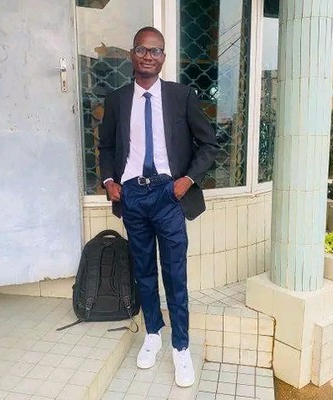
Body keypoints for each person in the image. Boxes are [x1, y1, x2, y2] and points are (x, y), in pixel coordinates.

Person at [98, 26, 219, 387]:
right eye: (142, 49)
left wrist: (188, 180)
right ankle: (153, 333)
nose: (148, 56)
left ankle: (181, 346)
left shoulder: (181, 96)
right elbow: (106, 148)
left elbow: (209, 144)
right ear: (132, 55)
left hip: (169, 194)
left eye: (155, 50)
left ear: (163, 57)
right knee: (144, 270)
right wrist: (109, 181)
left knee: (175, 273)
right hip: (132, 196)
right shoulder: (117, 100)